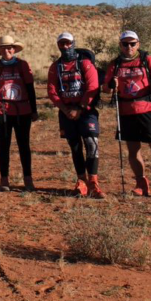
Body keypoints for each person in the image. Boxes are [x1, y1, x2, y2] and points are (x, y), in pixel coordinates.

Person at [105, 31, 151, 198]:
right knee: (133, 149)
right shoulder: (115, 64)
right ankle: (141, 183)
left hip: (148, 109)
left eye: (132, 43)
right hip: (126, 111)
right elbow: (106, 89)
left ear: (138, 44)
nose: (129, 47)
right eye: (125, 44)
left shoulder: (147, 60)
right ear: (120, 45)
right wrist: (111, 84)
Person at [47, 33, 103, 198]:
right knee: (75, 146)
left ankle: (93, 181)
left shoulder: (85, 63)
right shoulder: (55, 67)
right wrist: (65, 110)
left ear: (73, 43)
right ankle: (81, 181)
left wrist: (79, 108)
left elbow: (93, 86)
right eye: (62, 44)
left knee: (92, 143)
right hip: (66, 112)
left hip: (86, 111)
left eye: (68, 43)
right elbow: (52, 91)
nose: (65, 47)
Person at [0, 35, 38, 192]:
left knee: (24, 145)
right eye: (3, 48)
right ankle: (4, 180)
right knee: (4, 145)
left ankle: (28, 179)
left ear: (14, 49)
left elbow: (30, 88)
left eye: (9, 48)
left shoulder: (23, 65)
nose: (7, 50)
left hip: (22, 111)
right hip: (2, 111)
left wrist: (34, 110)